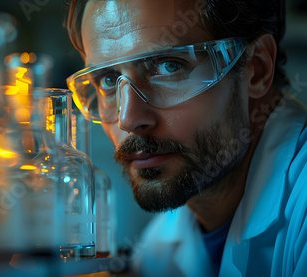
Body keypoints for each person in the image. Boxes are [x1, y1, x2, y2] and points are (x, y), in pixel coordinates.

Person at [64, 0, 307, 276]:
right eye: (108, 80)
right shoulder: (162, 240)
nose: (128, 119)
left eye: (168, 66)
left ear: (256, 68)